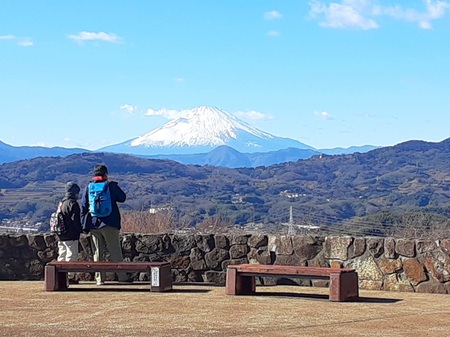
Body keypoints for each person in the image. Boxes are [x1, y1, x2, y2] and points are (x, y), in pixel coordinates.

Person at [80, 164, 130, 285]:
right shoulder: (110, 186)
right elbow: (122, 198)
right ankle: (122, 277)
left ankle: (99, 279)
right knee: (115, 252)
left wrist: (84, 225)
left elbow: (83, 206)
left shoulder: (89, 187)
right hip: (110, 224)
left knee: (97, 253)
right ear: (105, 174)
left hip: (94, 224)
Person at [57, 182, 82, 284]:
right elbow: (76, 221)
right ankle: (70, 277)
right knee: (71, 255)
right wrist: (81, 230)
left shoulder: (62, 203)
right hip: (71, 234)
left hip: (61, 234)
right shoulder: (73, 203)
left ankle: (59, 276)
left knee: (62, 255)